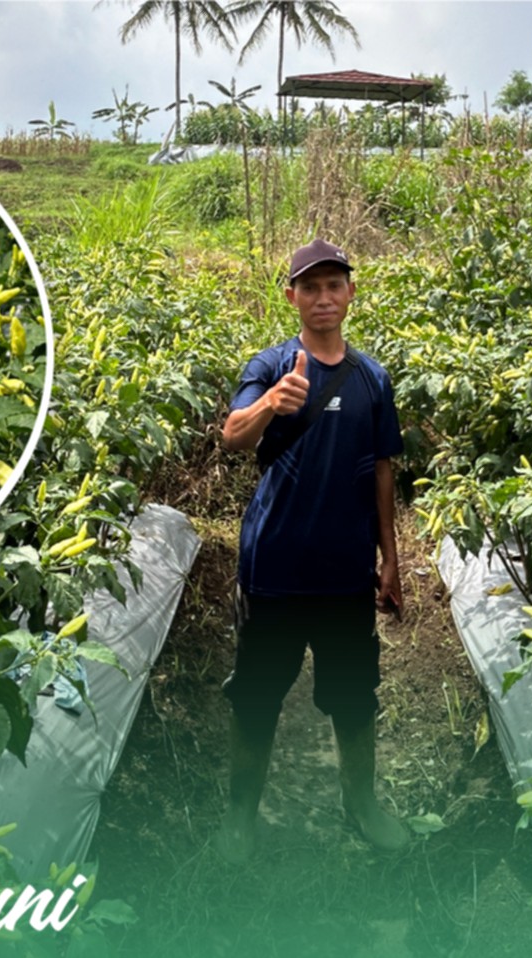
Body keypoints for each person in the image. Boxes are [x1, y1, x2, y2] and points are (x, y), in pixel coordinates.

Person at [215, 238, 410, 863]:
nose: (323, 297)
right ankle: (240, 815)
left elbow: (382, 469)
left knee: (353, 696)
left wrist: (390, 557)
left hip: (345, 573)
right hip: (273, 568)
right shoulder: (270, 366)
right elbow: (231, 439)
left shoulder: (371, 378)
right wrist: (272, 403)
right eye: (311, 286)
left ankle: (363, 804)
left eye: (335, 285)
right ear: (292, 296)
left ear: (351, 293)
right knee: (257, 695)